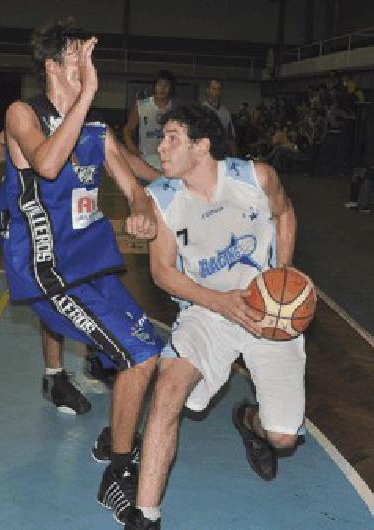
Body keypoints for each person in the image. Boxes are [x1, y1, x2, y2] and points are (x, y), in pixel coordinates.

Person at [0, 17, 164, 525]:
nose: (88, 69)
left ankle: (115, 439)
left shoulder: (96, 128)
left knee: (148, 349)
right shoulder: (22, 114)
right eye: (76, 60)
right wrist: (87, 93)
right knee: (138, 356)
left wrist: (141, 207)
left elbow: (131, 180)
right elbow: (46, 164)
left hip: (92, 267)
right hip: (48, 269)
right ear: (52, 66)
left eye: (90, 60)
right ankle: (117, 472)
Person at [121, 103, 307, 529]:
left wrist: (279, 281)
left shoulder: (257, 178)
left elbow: (286, 214)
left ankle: (250, 421)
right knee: (168, 391)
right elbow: (162, 273)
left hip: (265, 312)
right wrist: (218, 302)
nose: (161, 146)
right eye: (161, 137)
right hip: (206, 310)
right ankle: (145, 516)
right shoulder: (163, 199)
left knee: (283, 437)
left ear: (202, 147)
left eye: (172, 138)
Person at [123, 69, 176, 171]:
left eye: (166, 85)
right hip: (146, 161)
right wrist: (132, 148)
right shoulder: (142, 105)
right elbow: (127, 130)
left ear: (171, 88)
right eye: (159, 84)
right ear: (154, 86)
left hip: (169, 161)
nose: (162, 88)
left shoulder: (175, 108)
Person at [202, 78, 238, 156]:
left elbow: (230, 137)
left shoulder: (225, 112)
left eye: (219, 89)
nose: (217, 92)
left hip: (222, 153)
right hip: (206, 153)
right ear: (208, 90)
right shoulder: (201, 110)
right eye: (214, 89)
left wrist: (235, 157)